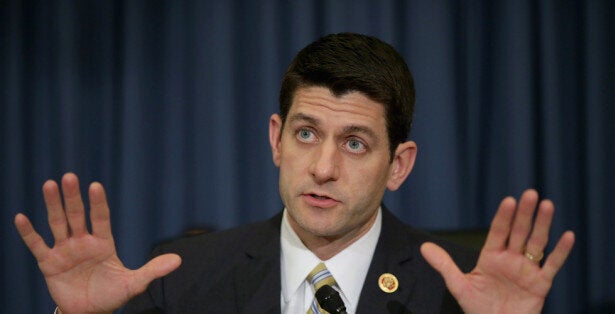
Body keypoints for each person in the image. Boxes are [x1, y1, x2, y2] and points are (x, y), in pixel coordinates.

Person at [14, 33, 575, 314]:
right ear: (276, 139)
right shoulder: (180, 281)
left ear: (398, 165)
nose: (323, 168)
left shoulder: (462, 293)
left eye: (355, 143)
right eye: (306, 134)